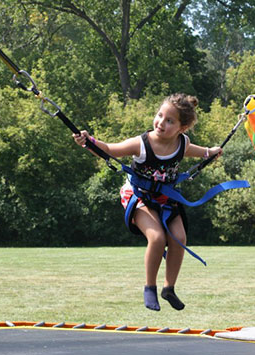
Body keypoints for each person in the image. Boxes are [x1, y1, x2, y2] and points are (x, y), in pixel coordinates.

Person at [73, 94, 222, 311]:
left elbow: (196, 151)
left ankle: (169, 288)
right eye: (160, 116)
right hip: (138, 196)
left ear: (182, 127)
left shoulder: (182, 143)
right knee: (157, 237)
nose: (161, 123)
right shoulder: (142, 144)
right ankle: (149, 287)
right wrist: (90, 142)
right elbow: (111, 150)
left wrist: (211, 152)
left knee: (179, 238)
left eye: (170, 120)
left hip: (165, 198)